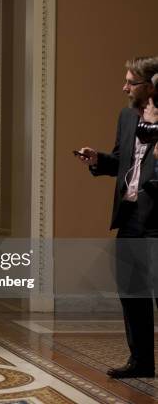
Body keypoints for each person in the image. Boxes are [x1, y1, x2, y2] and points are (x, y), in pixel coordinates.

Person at [76, 57, 158, 379]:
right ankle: (141, 361)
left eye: (131, 82)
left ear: (150, 85)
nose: (124, 88)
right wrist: (99, 160)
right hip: (130, 216)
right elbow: (123, 161)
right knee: (131, 291)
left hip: (157, 218)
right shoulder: (126, 116)